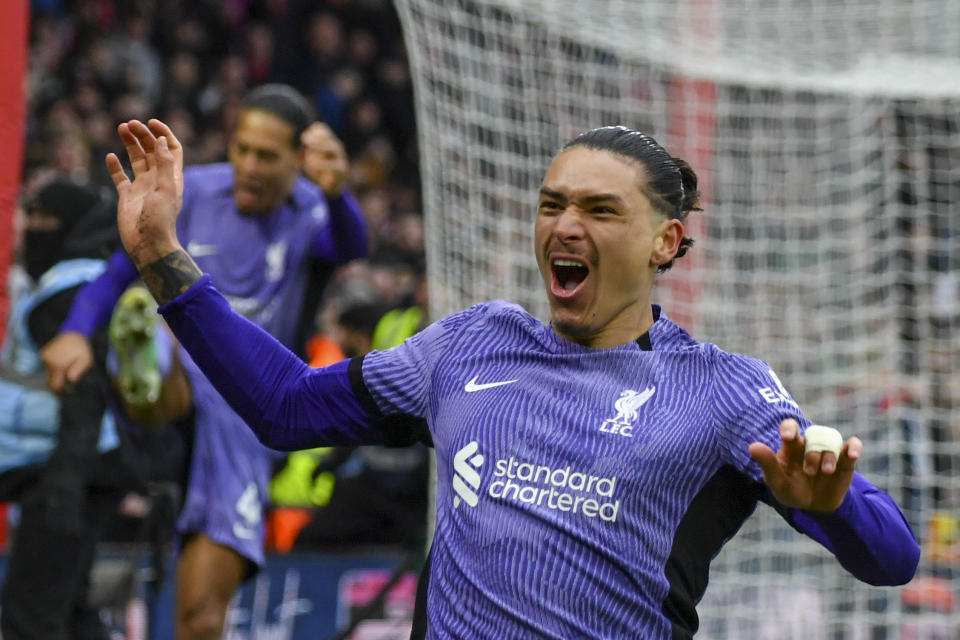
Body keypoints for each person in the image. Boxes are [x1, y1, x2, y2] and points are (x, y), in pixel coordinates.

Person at [107, 120, 920, 639]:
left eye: (601, 211)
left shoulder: (723, 392)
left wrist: (835, 506)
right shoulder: (471, 345)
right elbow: (284, 407)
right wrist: (161, 259)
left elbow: (892, 559)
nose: (565, 226)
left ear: (666, 242)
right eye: (551, 204)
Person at [41, 85, 369, 639]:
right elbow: (118, 271)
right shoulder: (191, 194)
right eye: (242, 148)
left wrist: (338, 193)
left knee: (198, 619)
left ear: (299, 160)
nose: (249, 166)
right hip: (180, 394)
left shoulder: (309, 208)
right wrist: (74, 332)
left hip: (244, 416)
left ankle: (147, 380)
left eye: (267, 156)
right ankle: (147, 372)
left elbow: (351, 245)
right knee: (142, 309)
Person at [0, 178, 153, 640]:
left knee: (33, 618)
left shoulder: (66, 289)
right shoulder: (78, 279)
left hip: (58, 474)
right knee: (71, 612)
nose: (36, 229)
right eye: (35, 217)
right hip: (73, 471)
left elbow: (82, 395)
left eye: (49, 220)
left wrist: (61, 491)